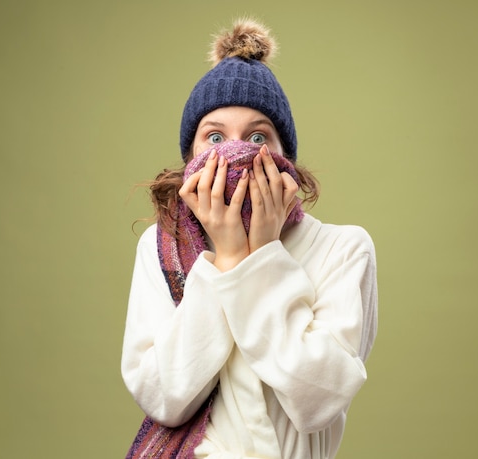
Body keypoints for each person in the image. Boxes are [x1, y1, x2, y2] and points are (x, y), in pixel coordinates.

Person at [121, 18, 378, 459]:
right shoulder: (161, 249)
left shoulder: (344, 248)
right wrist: (227, 256)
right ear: (190, 161)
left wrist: (259, 257)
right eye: (215, 137)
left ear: (285, 159)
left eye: (258, 137)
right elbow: (164, 396)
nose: (234, 151)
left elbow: (317, 400)